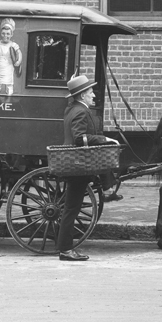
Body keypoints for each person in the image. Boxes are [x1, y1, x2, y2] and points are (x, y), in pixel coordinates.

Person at [59, 73, 113, 262]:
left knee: (71, 208)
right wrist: (104, 139)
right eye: (90, 92)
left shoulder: (72, 109)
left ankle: (108, 187)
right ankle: (65, 250)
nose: (93, 95)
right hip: (78, 165)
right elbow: (79, 138)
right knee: (71, 209)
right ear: (82, 95)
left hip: (75, 163)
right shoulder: (81, 111)